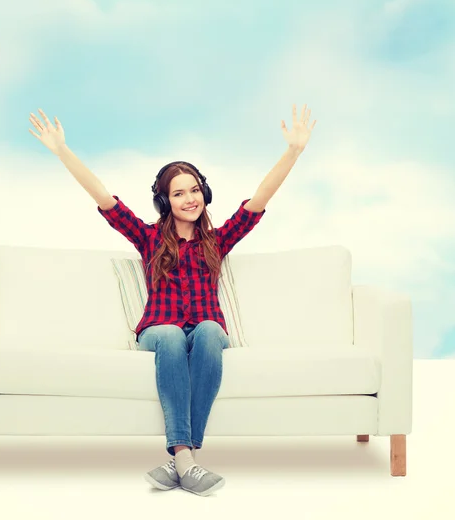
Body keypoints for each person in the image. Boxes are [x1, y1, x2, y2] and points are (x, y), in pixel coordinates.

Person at [28, 105, 316, 496]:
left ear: (205, 193)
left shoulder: (217, 241)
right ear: (165, 201)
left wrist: (294, 151)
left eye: (195, 190)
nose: (189, 198)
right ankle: (189, 459)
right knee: (170, 336)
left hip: (204, 331)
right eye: (178, 193)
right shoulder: (148, 238)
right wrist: (62, 151)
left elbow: (260, 199)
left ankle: (180, 460)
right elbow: (104, 199)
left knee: (212, 331)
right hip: (158, 334)